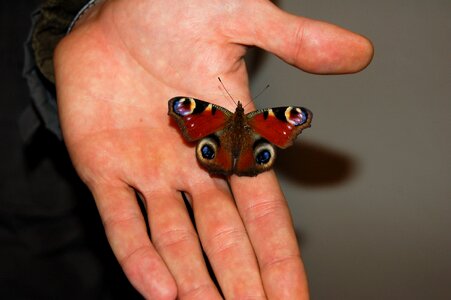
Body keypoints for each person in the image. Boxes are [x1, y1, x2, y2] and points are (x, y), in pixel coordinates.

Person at [3, 0, 373, 299]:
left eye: (292, 121)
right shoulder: (261, 119)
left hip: (46, 220)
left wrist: (86, 8)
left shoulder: (214, 115)